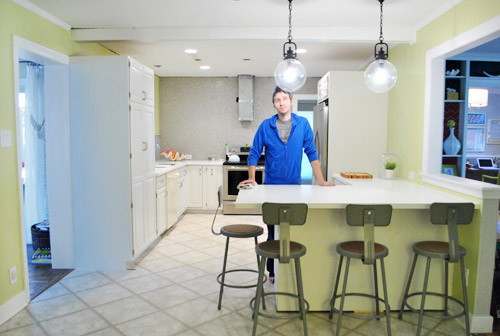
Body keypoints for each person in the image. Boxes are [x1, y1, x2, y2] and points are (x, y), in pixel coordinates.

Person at [240, 86, 335, 283]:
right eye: (277, 100)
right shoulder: (266, 126)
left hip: (294, 187)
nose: (281, 102)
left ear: (291, 101)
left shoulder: (303, 125)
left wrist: (322, 181)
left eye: (284, 99)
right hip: (271, 186)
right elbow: (254, 153)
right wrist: (252, 177)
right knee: (273, 230)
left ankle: (287, 267)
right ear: (274, 104)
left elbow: (312, 153)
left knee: (291, 228)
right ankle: (272, 270)